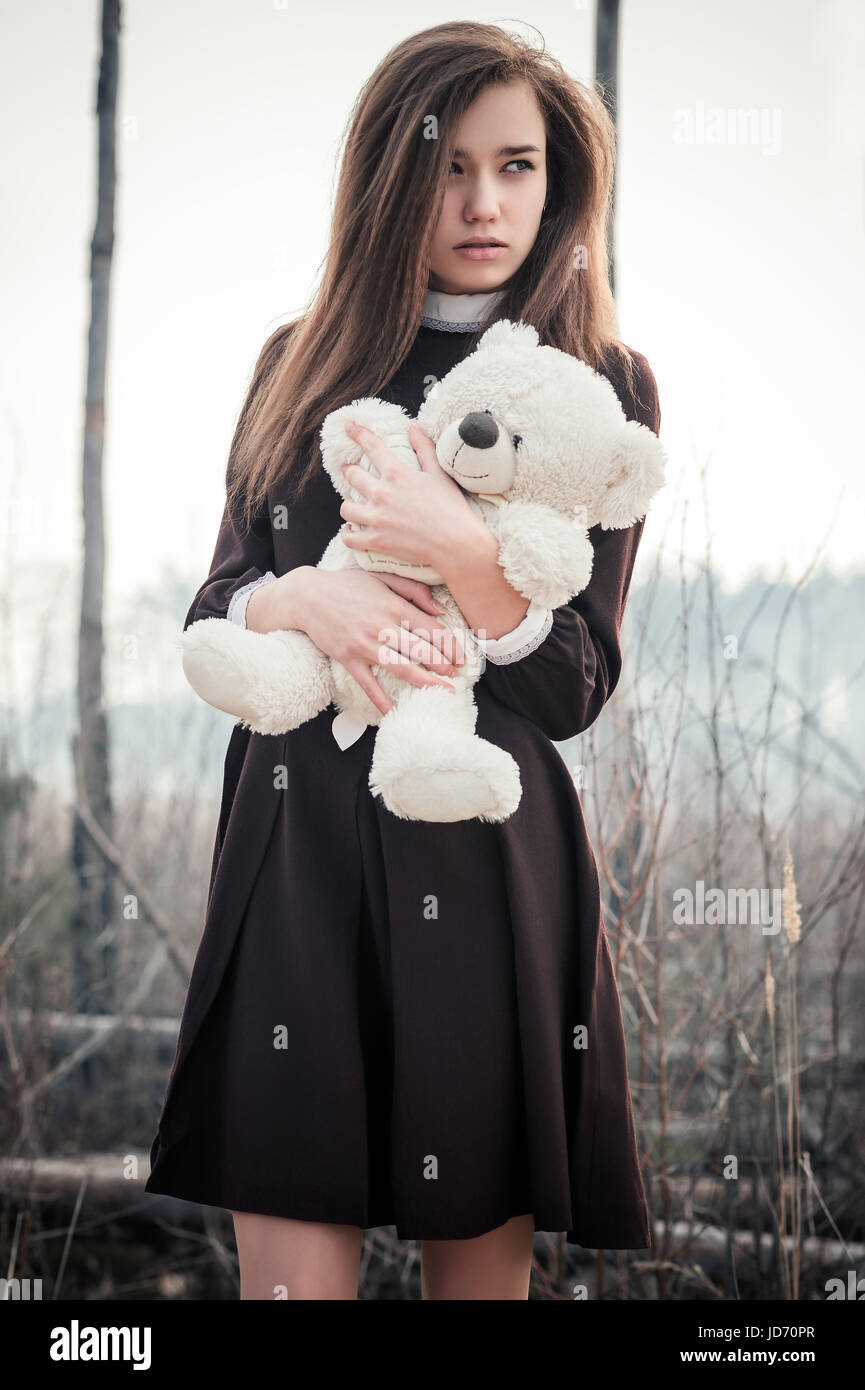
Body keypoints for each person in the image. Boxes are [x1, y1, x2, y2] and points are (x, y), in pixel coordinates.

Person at [145, 19, 660, 1301]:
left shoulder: (599, 387)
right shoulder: (299, 361)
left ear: (559, 183)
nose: (486, 202)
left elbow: (573, 684)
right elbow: (219, 603)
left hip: (484, 855)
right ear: (392, 172)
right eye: (449, 167)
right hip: (294, 858)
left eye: (519, 166)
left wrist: (456, 550)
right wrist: (309, 597)